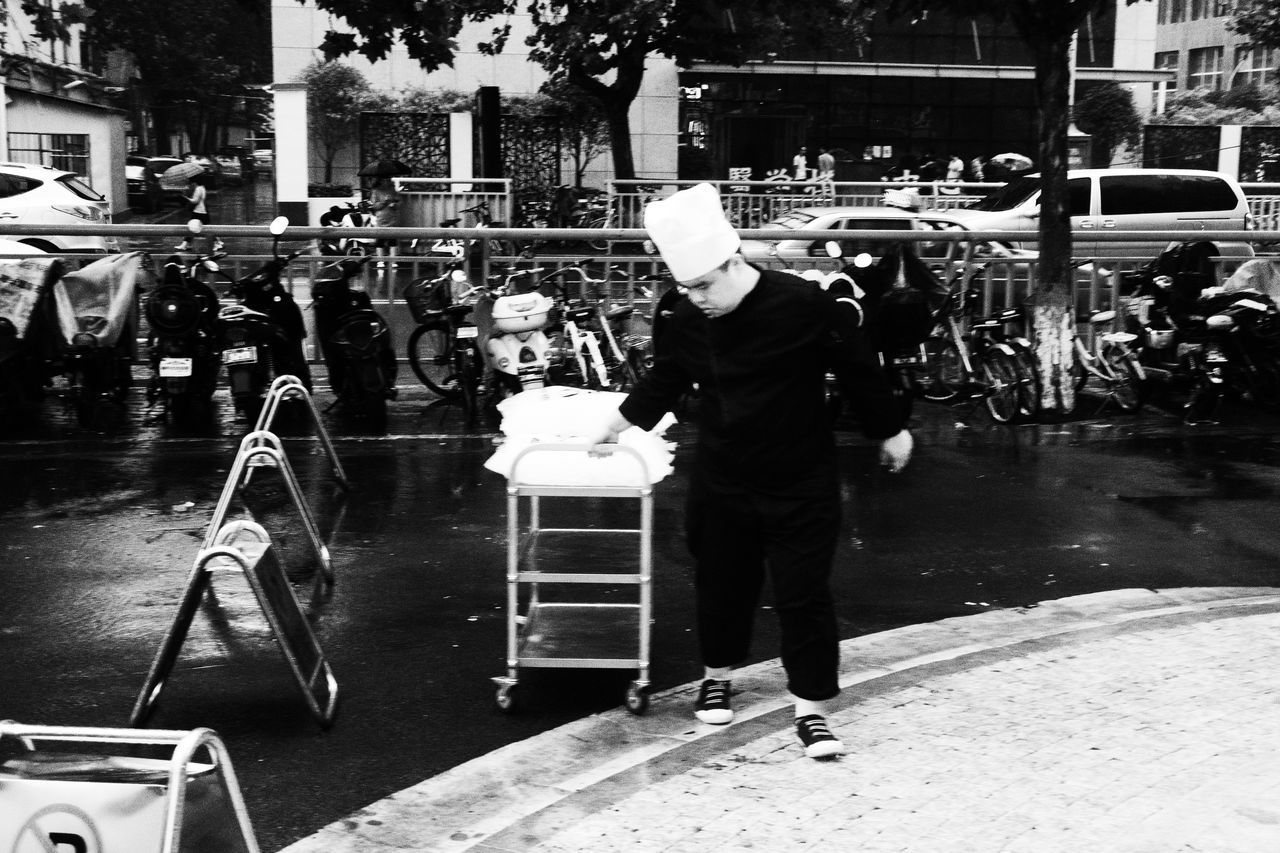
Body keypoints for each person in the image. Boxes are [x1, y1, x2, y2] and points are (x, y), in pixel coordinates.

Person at [585, 183, 913, 759]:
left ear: (735, 261)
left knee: (803, 592)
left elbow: (858, 368)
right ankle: (717, 675)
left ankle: (810, 708)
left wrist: (888, 428)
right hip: (723, 474)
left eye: (706, 284)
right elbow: (666, 378)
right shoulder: (686, 316)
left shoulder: (805, 305)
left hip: (801, 475)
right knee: (720, 582)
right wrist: (617, 423)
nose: (698, 298)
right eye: (688, 288)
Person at [174, 172, 223, 252]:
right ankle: (217, 243)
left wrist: (185, 198)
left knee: (193, 228)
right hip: (202, 211)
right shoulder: (203, 188)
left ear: (196, 181)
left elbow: (195, 201)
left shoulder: (198, 189)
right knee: (206, 228)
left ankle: (185, 245)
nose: (192, 183)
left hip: (198, 212)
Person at [368, 176, 401, 268]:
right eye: (384, 180)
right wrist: (384, 202)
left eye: (388, 179)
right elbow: (374, 206)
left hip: (392, 218)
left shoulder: (393, 190)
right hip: (381, 218)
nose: (386, 181)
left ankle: (393, 261)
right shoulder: (375, 191)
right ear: (380, 181)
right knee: (380, 241)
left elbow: (399, 202)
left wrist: (394, 204)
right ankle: (380, 261)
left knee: (393, 241)